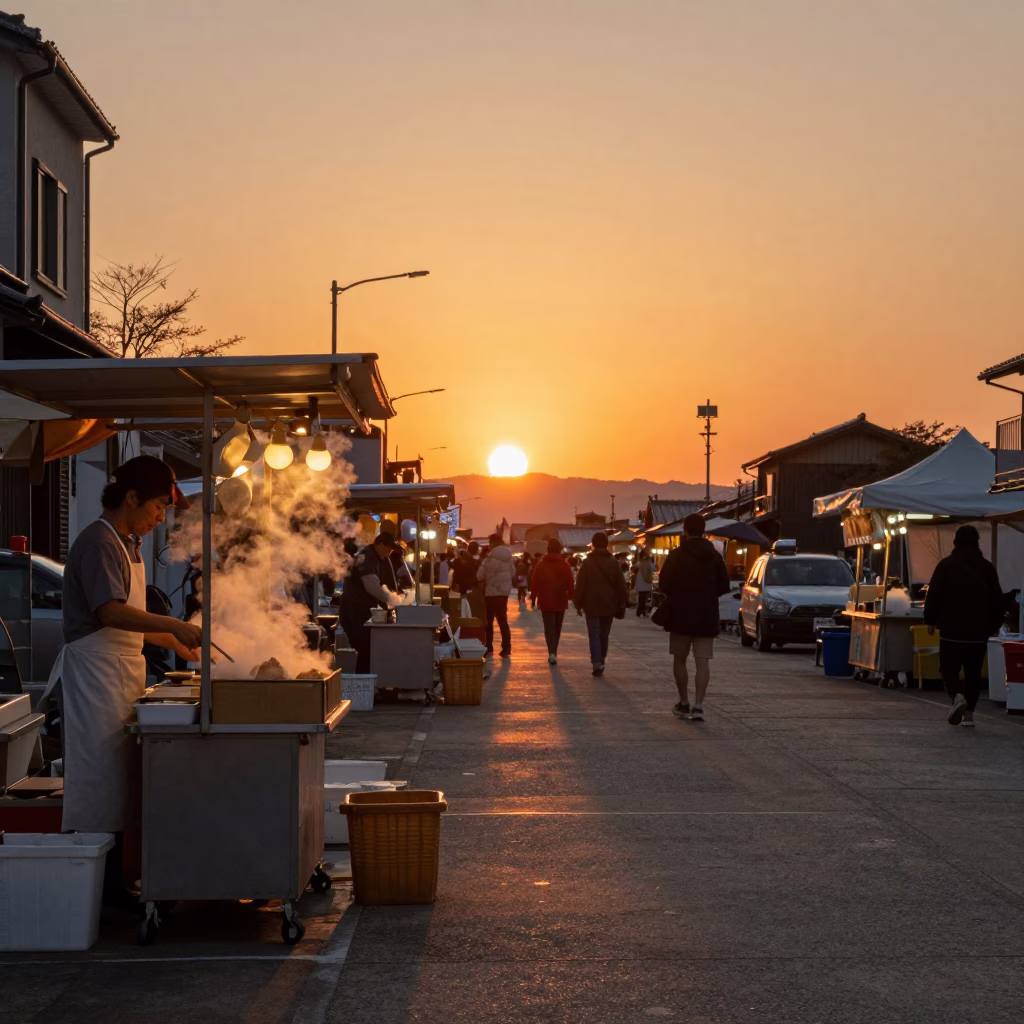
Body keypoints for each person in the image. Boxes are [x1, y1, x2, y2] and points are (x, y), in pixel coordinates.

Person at [51, 455, 201, 905]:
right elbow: (110, 612)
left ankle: (119, 883)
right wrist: (173, 625)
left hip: (120, 669)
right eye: (157, 506)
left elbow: (125, 622)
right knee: (99, 781)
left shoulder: (126, 543)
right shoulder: (99, 541)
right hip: (95, 673)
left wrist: (173, 642)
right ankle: (101, 892)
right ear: (131, 497)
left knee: (119, 779)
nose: (160, 518)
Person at [924, 524, 1004, 727]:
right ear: (977, 542)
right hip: (978, 632)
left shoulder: (946, 565)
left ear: (955, 542)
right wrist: (994, 625)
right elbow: (997, 599)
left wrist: (931, 620)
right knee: (973, 673)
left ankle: (957, 696)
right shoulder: (987, 568)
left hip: (951, 631)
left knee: (949, 669)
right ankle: (969, 715)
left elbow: (934, 595)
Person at [657, 514, 730, 721]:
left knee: (679, 659)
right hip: (706, 615)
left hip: (680, 615)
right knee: (702, 661)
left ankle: (683, 702)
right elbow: (724, 585)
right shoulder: (714, 556)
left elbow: (664, 585)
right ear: (704, 530)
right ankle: (698, 705)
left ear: (685, 530)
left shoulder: (676, 555)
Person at [339, 532, 401, 673]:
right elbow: (372, 586)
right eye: (388, 549)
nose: (389, 552)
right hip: (354, 611)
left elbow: (384, 585)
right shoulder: (366, 556)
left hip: (363, 610)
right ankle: (363, 684)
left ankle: (369, 683)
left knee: (369, 648)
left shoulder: (379, 558)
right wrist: (393, 601)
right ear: (379, 544)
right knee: (365, 648)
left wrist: (389, 610)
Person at [573, 532, 628, 676]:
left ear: (593, 544)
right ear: (607, 544)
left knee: (594, 634)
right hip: (609, 604)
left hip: (591, 604)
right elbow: (621, 586)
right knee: (604, 634)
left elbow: (580, 585)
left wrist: (578, 603)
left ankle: (596, 662)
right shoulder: (614, 563)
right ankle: (601, 660)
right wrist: (623, 601)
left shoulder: (587, 563)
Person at [531, 538, 576, 664]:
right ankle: (553, 651)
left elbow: (535, 582)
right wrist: (572, 595)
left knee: (548, 628)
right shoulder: (564, 564)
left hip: (545, 600)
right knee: (557, 627)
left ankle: (552, 652)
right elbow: (570, 582)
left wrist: (533, 597)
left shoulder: (541, 564)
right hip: (560, 599)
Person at [478, 531, 514, 657]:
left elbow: (479, 576)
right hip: (504, 593)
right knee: (503, 620)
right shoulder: (509, 558)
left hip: (491, 593)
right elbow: (513, 573)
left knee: (489, 621)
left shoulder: (489, 559)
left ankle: (489, 646)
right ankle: (507, 647)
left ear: (492, 543)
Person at [634, 547, 654, 618]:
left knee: (641, 597)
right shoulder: (647, 563)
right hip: (645, 582)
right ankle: (642, 611)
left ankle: (640, 611)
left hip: (641, 581)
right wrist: (650, 579)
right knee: (645, 597)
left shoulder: (640, 563)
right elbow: (648, 573)